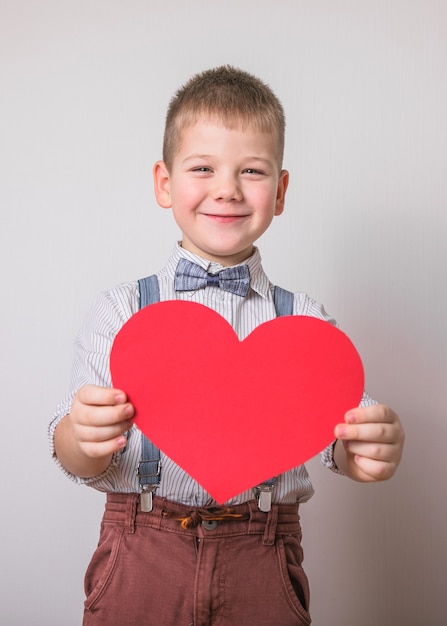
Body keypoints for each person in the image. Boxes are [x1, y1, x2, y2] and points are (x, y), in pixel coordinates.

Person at [49, 65, 404, 626]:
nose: (227, 188)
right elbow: (73, 453)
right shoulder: (120, 311)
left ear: (281, 192)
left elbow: (332, 434)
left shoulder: (305, 322)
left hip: (261, 554)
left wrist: (363, 451)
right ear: (165, 183)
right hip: (140, 550)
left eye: (252, 170)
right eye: (203, 168)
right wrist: (80, 436)